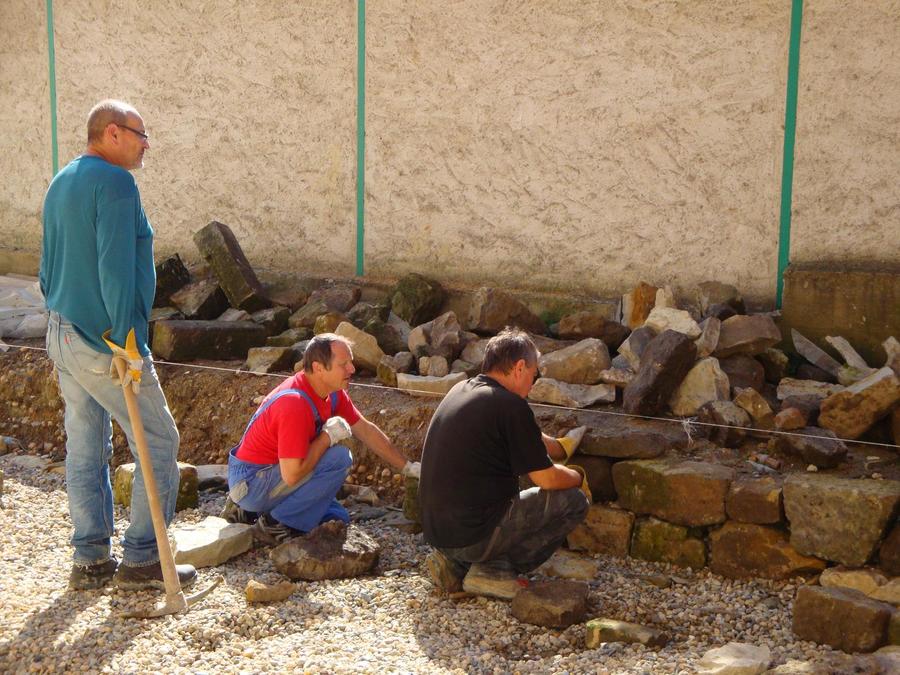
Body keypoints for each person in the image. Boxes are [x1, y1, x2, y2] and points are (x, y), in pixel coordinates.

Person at [41, 99, 196, 591]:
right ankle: (143, 559)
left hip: (62, 330)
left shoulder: (61, 180)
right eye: (140, 134)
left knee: (86, 444)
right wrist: (127, 343)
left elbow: (47, 264)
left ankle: (89, 558)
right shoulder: (115, 183)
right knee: (159, 440)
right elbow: (115, 270)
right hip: (103, 340)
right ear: (112, 132)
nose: (146, 144)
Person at [418, 328, 589, 593]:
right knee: (574, 501)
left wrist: (557, 447)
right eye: (534, 374)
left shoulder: (463, 389)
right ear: (520, 367)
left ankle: (457, 565)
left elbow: (523, 433)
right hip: (472, 536)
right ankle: (493, 570)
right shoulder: (510, 406)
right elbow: (546, 479)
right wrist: (579, 477)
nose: (533, 383)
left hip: (438, 533)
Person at [224, 333, 421, 544]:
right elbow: (291, 476)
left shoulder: (331, 392)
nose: (352, 369)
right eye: (343, 364)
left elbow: (365, 430)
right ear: (318, 368)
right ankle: (274, 524)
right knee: (339, 458)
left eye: (351, 362)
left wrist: (408, 467)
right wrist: (327, 437)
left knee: (336, 517)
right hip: (251, 482)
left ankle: (250, 513)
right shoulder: (294, 404)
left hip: (269, 477)